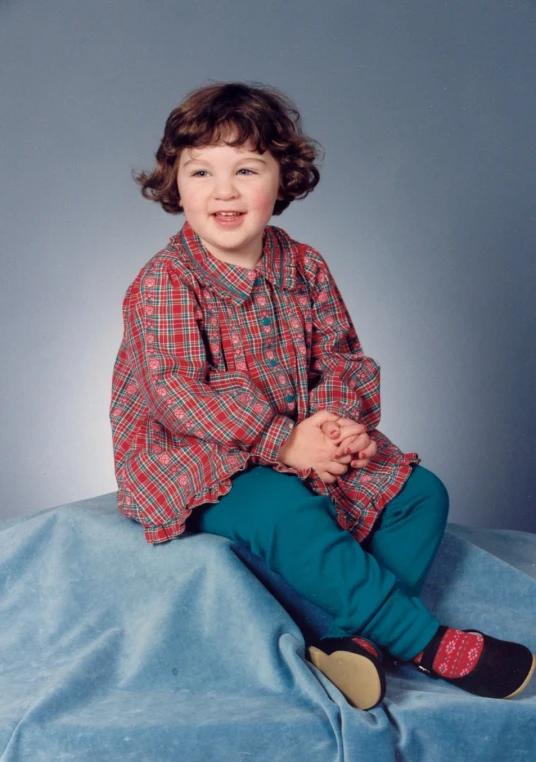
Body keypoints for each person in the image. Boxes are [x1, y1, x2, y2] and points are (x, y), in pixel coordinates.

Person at [110, 81, 535, 710]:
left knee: (419, 492)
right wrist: (282, 439)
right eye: (201, 171)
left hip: (299, 437)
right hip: (197, 457)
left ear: (283, 180)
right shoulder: (166, 280)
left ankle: (359, 646)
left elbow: (339, 355)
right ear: (175, 183)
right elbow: (177, 391)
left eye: (246, 169)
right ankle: (425, 641)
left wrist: (337, 425)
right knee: (283, 507)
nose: (223, 191)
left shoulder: (304, 265)